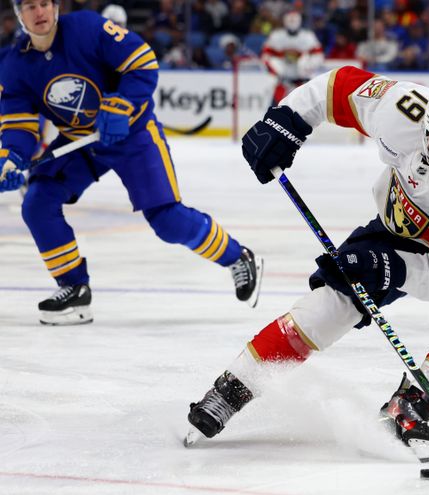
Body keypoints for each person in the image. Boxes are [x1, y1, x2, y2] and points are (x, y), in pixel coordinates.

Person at [186, 67, 429, 463]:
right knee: (329, 306)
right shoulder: (403, 109)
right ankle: (233, 388)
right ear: (425, 131)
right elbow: (335, 87)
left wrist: (390, 269)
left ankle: (409, 407)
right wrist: (286, 121)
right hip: (398, 226)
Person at [0, 0, 264, 325]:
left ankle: (237, 256)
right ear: (18, 14)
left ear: (56, 7)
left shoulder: (87, 27)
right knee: (37, 201)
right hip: (80, 139)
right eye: (29, 6)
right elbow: (19, 123)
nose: (39, 12)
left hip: (133, 132)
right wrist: (12, 157)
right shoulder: (15, 64)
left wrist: (122, 104)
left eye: (44, 3)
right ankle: (74, 289)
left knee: (167, 220)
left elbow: (142, 61)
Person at [260, 10, 324, 105]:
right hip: (283, 81)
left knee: (307, 108)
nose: (292, 23)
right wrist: (275, 69)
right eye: (290, 20)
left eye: (294, 20)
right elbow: (265, 56)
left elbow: (319, 57)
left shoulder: (308, 37)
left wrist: (307, 66)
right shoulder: (276, 36)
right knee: (274, 109)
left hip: (302, 82)